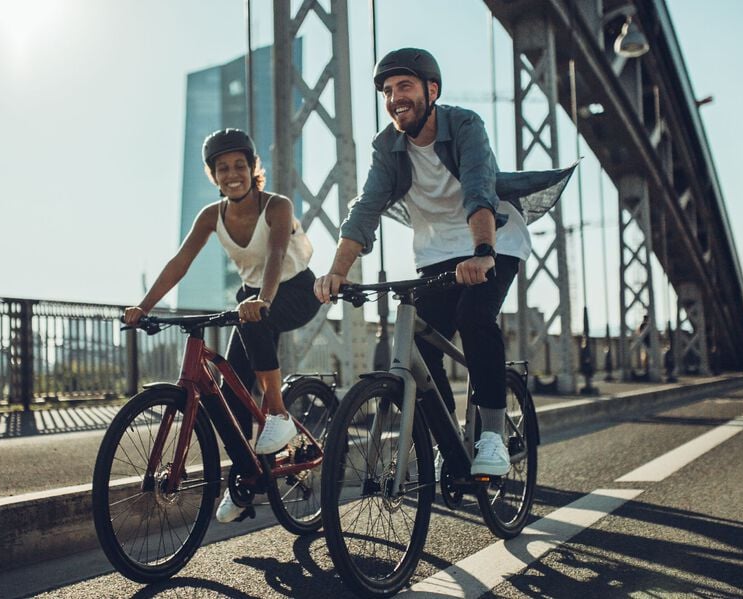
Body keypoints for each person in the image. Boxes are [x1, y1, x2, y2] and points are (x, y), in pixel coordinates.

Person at [314, 48, 564, 478]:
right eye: (388, 91)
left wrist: (482, 253)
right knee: (420, 348)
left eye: (405, 87)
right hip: (434, 251)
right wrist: (337, 271)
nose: (395, 98)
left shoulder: (464, 125)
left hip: (493, 240)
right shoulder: (388, 147)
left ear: (432, 90)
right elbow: (365, 210)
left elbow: (479, 188)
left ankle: (491, 435)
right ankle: (448, 431)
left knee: (473, 315)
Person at [124, 128, 318, 522]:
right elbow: (180, 262)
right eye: (223, 168)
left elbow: (277, 254)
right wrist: (143, 307)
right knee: (228, 396)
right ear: (214, 175)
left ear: (253, 169)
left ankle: (279, 415)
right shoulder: (212, 216)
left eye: (240, 166)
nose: (233, 174)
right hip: (252, 299)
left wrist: (263, 300)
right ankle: (247, 477)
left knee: (251, 321)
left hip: (296, 289)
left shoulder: (276, 206)